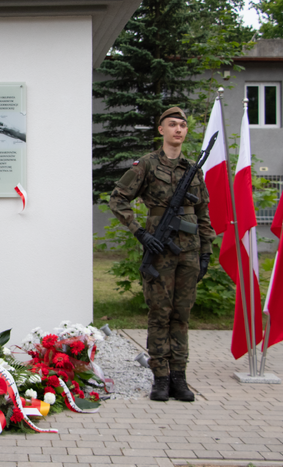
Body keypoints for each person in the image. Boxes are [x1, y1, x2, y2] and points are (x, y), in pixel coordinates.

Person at [108, 107, 215, 402]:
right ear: (161, 130)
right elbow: (117, 199)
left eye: (183, 125)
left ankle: (180, 377)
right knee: (159, 315)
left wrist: (206, 251)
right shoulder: (146, 165)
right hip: (160, 250)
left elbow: (204, 213)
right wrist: (139, 232)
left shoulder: (193, 169)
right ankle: (161, 377)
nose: (179, 129)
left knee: (181, 316)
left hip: (189, 251)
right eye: (172, 125)